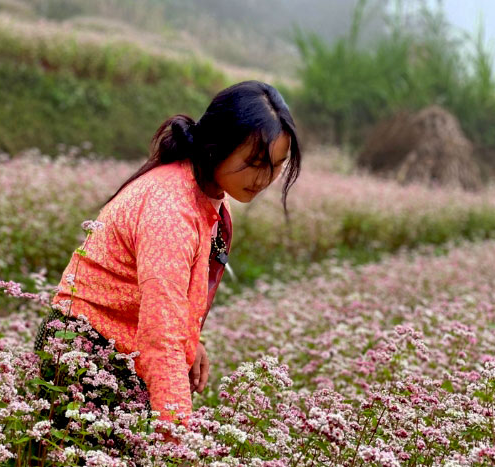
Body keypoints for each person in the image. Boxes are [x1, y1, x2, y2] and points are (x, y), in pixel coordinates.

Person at [34, 79, 301, 444]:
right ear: (218, 145)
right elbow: (160, 340)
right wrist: (177, 444)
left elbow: (173, 299)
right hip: (83, 353)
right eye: (254, 163)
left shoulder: (207, 197)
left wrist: (192, 340)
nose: (265, 178)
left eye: (276, 165)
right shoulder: (171, 209)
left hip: (119, 353)